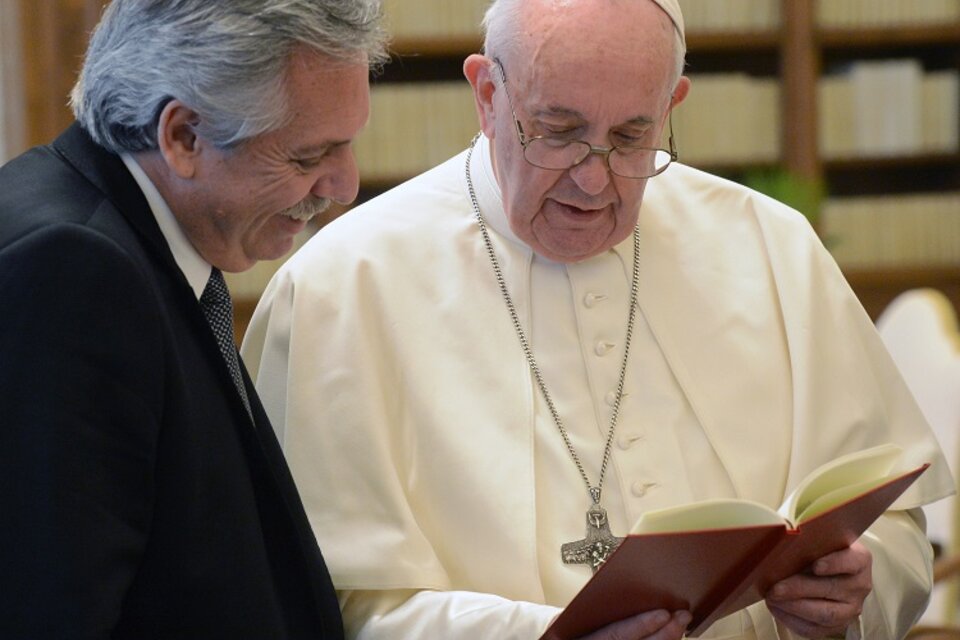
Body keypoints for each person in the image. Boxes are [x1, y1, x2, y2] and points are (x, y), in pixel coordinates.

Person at [241, 0, 954, 638]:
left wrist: (855, 592)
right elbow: (324, 606)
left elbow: (895, 535)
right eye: (559, 130)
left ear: (672, 104)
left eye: (632, 136)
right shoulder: (342, 286)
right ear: (488, 96)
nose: (593, 177)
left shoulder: (774, 248)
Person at [0, 1, 387, 637]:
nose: (343, 185)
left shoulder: (131, 243)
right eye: (308, 155)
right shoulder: (71, 271)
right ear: (182, 136)